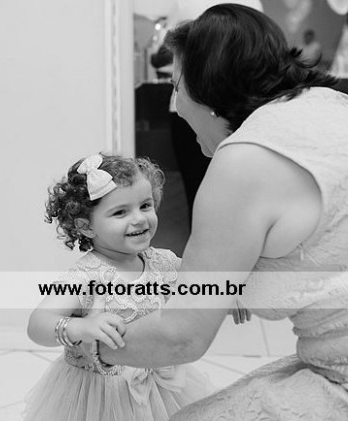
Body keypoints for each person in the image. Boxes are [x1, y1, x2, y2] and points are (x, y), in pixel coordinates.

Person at [98, 4, 348, 420]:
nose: (175, 103)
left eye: (177, 86)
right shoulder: (342, 111)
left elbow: (181, 337)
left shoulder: (245, 160)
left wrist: (85, 341)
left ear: (208, 88)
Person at [23, 154, 220, 421]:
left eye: (145, 205)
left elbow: (201, 280)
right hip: (101, 396)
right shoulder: (85, 278)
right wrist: (80, 327)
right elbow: (38, 324)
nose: (139, 219)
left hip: (160, 384)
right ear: (86, 226)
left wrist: (231, 295)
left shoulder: (162, 261)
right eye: (120, 212)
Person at [150, 0, 263, 225]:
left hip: (202, 103)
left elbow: (159, 57)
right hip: (241, 105)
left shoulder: (185, 4)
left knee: (198, 187)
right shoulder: (253, 5)